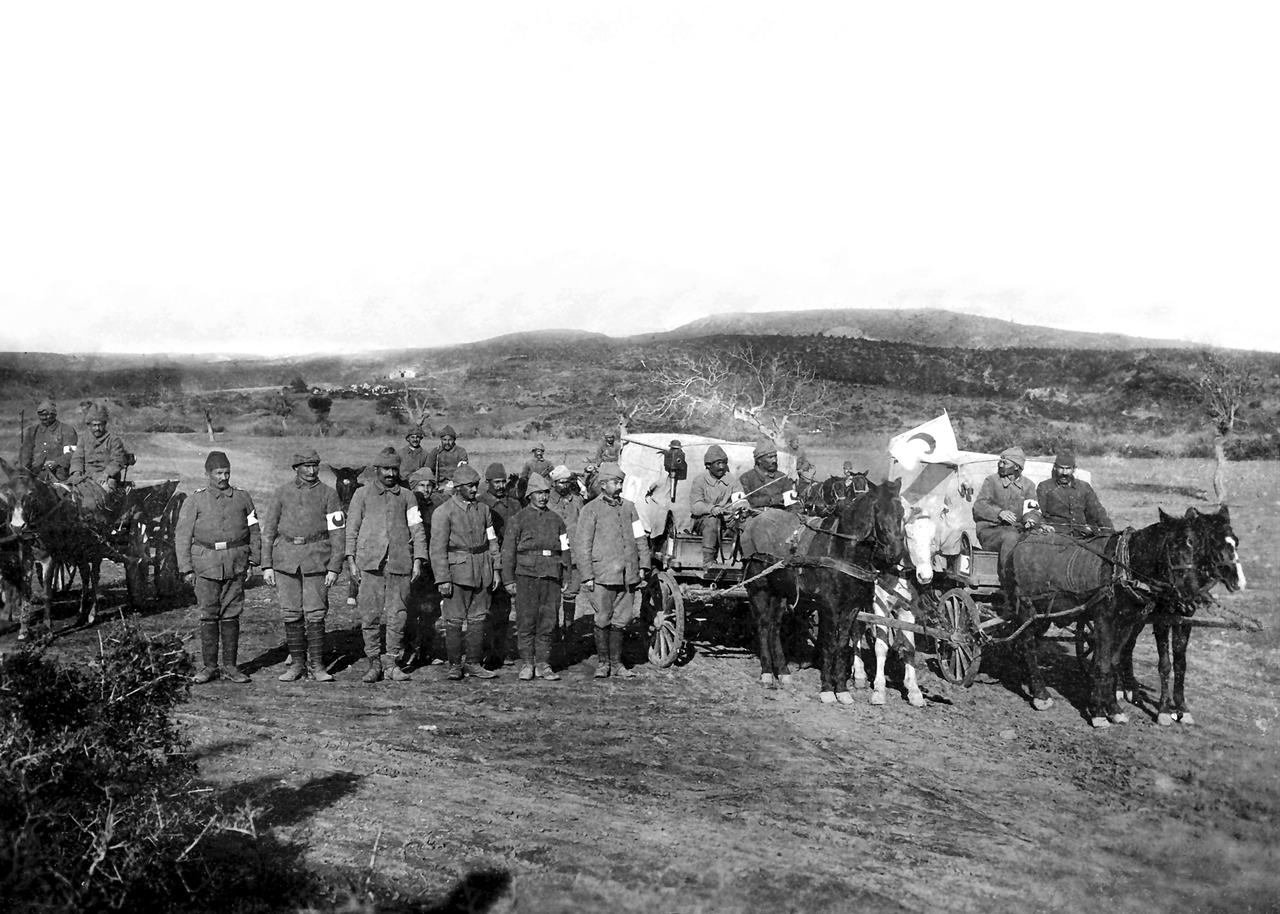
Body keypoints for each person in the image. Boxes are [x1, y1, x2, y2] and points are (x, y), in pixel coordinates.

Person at [175, 451, 262, 684]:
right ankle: (209, 667)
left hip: (236, 562)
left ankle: (231, 667)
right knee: (209, 614)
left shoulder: (243, 498)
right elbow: (182, 535)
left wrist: (253, 561)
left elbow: (254, 531)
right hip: (205, 564)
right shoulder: (195, 501)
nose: (223, 478)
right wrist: (186, 569)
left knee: (232, 613)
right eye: (218, 473)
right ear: (208, 474)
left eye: (227, 473)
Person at [261, 449, 344, 683]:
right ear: (295, 468)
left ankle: (317, 666)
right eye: (306, 466)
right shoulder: (281, 493)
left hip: (317, 559)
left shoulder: (329, 495)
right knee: (291, 612)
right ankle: (296, 664)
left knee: (316, 613)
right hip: (285, 560)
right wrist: (266, 565)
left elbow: (338, 533)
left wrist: (334, 567)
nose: (311, 470)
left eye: (315, 465)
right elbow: (268, 532)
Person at [345, 446, 427, 683]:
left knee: (398, 614)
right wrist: (351, 560)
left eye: (394, 469)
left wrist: (418, 559)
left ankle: (391, 663)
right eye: (385, 469)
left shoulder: (407, 496)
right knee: (369, 615)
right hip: (369, 564)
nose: (390, 473)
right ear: (376, 470)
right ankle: (374, 663)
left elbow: (417, 529)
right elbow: (352, 529)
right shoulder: (361, 494)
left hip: (400, 563)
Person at [575, 462, 650, 679]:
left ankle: (617, 664)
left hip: (627, 575)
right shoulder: (590, 510)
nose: (619, 487)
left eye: (620, 483)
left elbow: (639, 538)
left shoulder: (629, 508)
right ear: (602, 484)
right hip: (602, 575)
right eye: (615, 483)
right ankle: (602, 663)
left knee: (622, 619)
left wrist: (643, 564)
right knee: (602, 618)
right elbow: (582, 545)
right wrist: (587, 575)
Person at [430, 464, 502, 680]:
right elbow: (437, 548)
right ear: (458, 487)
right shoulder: (443, 512)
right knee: (453, 620)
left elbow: (492, 541)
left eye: (476, 485)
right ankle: (454, 665)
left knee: (478, 618)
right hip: (456, 573)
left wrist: (496, 569)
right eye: (470, 486)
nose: (474, 490)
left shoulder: (484, 510)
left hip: (483, 570)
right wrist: (442, 578)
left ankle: (473, 663)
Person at [501, 472, 568, 681]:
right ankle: (527, 663)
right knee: (526, 621)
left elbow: (565, 549)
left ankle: (543, 663)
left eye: (546, 493)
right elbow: (508, 551)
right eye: (538, 493)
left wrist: (566, 575)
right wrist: (508, 580)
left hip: (551, 575)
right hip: (526, 576)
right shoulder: (518, 519)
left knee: (548, 621)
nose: (543, 497)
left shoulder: (557, 520)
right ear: (530, 494)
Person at [480, 462, 522, 666]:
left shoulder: (514, 504)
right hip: (485, 561)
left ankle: (499, 651)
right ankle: (481, 651)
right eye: (496, 482)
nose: (500, 485)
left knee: (502, 610)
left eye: (503, 481)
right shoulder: (480, 503)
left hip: (508, 562)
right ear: (487, 482)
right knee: (482, 609)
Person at [406, 467, 443, 665]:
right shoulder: (407, 505)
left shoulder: (438, 506)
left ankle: (428, 650)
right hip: (411, 563)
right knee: (410, 609)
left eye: (429, 486)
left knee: (431, 609)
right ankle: (409, 648)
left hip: (431, 565)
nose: (426, 490)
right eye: (421, 485)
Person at [972, 446, 1038, 556]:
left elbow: (1032, 510)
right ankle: (1006, 573)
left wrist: (1030, 519)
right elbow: (979, 506)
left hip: (1018, 530)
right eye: (1000, 462)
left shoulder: (1028, 485)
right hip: (990, 531)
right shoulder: (992, 481)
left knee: (1038, 539)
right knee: (1011, 537)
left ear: (1016, 466)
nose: (1000, 465)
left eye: (1005, 463)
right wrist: (999, 513)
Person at [689, 444, 745, 564]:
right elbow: (695, 506)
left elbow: (739, 499)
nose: (722, 467)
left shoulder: (731, 480)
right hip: (704, 522)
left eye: (724, 463)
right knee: (712, 520)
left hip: (727, 520)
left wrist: (742, 507)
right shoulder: (699, 480)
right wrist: (712, 508)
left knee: (745, 520)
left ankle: (746, 559)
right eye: (718, 463)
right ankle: (709, 561)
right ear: (708, 465)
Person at [68, 404, 129, 514]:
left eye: (100, 425)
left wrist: (106, 474)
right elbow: (78, 457)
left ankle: (104, 520)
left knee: (103, 495)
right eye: (94, 425)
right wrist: (76, 472)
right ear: (89, 425)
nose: (97, 428)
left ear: (105, 424)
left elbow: (117, 460)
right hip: (86, 477)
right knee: (68, 493)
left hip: (105, 478)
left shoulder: (113, 440)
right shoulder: (84, 439)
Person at [1036, 449, 1113, 537]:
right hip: (1056, 536)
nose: (1064, 473)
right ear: (1055, 467)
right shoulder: (1045, 487)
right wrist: (1043, 525)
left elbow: (1097, 512)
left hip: (1082, 535)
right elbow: (1037, 513)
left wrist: (1110, 532)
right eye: (1061, 468)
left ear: (1074, 469)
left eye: (1068, 469)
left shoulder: (1084, 487)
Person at [548, 464, 585, 637]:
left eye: (566, 482)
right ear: (553, 483)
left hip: (574, 554)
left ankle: (569, 627)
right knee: (553, 594)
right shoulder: (546, 501)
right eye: (560, 483)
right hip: (553, 555)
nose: (564, 486)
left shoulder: (577, 500)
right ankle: (553, 628)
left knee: (571, 593)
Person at [19, 398, 77, 481]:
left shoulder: (67, 430)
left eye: (47, 414)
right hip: (35, 475)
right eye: (41, 415)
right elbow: (25, 455)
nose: (44, 417)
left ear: (54, 415)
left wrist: (56, 463)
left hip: (58, 475)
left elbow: (71, 454)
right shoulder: (32, 431)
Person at [738, 439, 799, 511]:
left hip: (781, 516)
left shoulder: (782, 477)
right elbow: (747, 502)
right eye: (770, 457)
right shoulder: (746, 478)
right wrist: (771, 500)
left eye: (775, 456)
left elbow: (791, 502)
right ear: (759, 460)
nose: (774, 460)